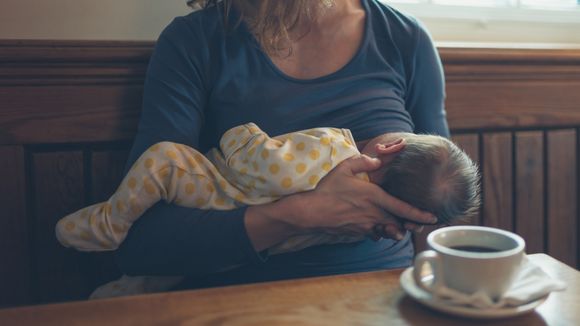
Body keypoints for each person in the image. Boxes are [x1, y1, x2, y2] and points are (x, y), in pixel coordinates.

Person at [112, 0, 450, 291]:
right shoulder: (195, 42)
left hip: (381, 297)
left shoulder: (405, 39)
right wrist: (300, 215)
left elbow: (442, 202)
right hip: (242, 302)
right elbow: (141, 242)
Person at [55, 123, 479, 253]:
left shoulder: (336, 146)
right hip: (255, 253)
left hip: (214, 193)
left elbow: (256, 163)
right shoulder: (358, 224)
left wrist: (242, 133)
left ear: (390, 145)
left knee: (165, 159)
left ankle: (109, 223)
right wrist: (392, 223)